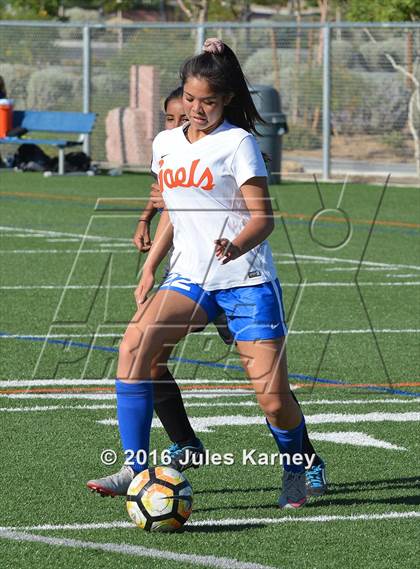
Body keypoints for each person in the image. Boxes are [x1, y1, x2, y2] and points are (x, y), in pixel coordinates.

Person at [87, 38, 324, 508]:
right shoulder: (165, 143)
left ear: (227, 100)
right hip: (190, 279)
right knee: (134, 348)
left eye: (209, 101)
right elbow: (177, 206)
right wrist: (152, 263)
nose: (197, 109)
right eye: (190, 99)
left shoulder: (238, 142)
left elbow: (264, 219)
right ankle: (136, 468)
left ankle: (300, 465)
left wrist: (234, 245)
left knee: (274, 400)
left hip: (246, 282)